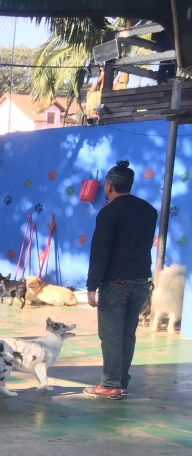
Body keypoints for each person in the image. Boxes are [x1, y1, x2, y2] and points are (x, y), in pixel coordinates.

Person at [83, 160, 156, 400]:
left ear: (109, 186)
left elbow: (100, 251)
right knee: (127, 333)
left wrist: (92, 285)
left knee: (111, 334)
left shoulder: (109, 212)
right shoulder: (148, 210)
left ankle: (110, 383)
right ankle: (122, 382)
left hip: (116, 283)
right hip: (141, 281)